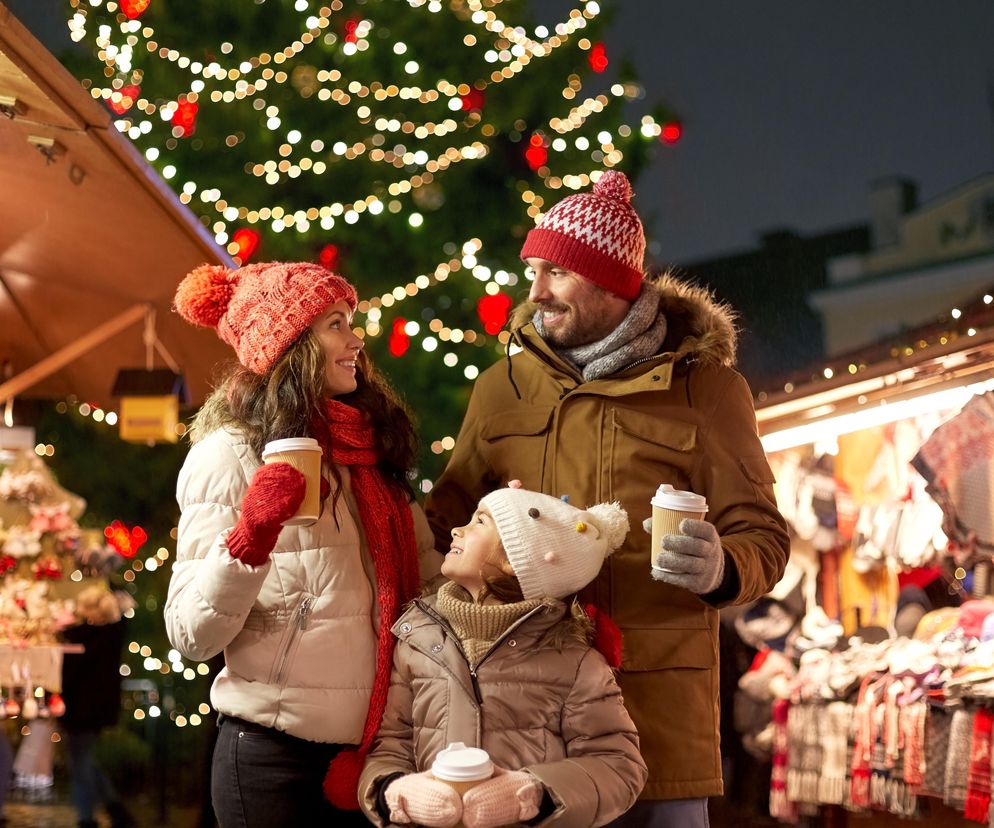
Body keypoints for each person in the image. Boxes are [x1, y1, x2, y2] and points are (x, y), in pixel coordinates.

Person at [425, 171, 790, 827]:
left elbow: (762, 535)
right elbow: (444, 524)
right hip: (527, 724)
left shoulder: (705, 390)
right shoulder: (500, 388)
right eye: (531, 271)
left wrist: (721, 567)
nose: (534, 293)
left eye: (555, 274)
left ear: (611, 282)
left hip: (655, 721)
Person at [165, 261, 439, 827]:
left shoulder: (373, 449)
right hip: (273, 758)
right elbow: (191, 634)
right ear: (290, 345)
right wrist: (251, 538)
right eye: (335, 324)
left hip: (378, 757)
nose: (355, 339)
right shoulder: (228, 455)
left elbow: (431, 586)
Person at [360, 482, 647, 828]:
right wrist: (395, 792)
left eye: (479, 522)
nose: (457, 529)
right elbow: (392, 745)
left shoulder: (574, 662)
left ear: (516, 559)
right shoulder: (417, 639)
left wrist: (533, 794)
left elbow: (618, 764)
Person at [60, 586, 135, 828]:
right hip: (97, 709)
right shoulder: (113, 635)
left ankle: (88, 816)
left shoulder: (82, 636)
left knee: (82, 762)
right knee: (87, 760)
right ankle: (114, 809)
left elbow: (70, 673)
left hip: (80, 709)